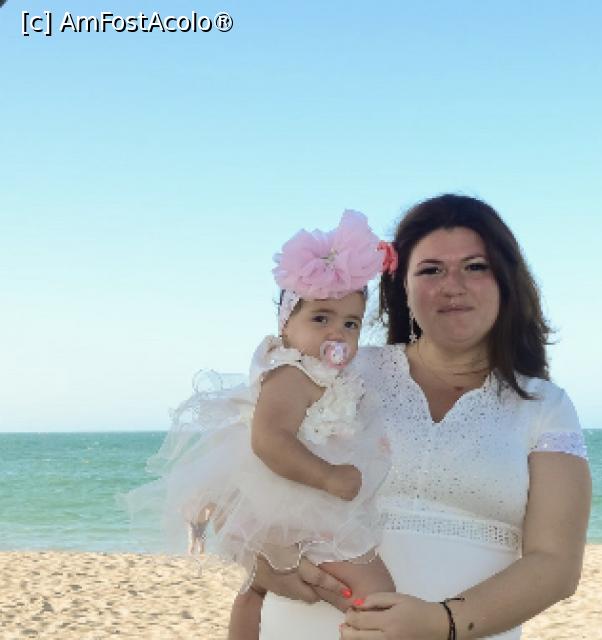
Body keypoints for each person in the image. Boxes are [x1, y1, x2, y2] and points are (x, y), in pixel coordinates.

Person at [247, 194, 591, 640]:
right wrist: (262, 559)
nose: (453, 285)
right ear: (402, 288)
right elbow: (241, 464)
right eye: (431, 270)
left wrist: (440, 622)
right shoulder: (340, 370)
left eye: (475, 267)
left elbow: (556, 564)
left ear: (506, 281)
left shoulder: (545, 406)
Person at [125, 210, 398, 640]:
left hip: (291, 497)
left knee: (256, 587)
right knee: (374, 588)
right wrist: (327, 477)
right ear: (285, 324)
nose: (337, 334)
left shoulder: (323, 374)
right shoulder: (291, 374)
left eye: (350, 324)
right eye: (321, 318)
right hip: (295, 493)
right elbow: (269, 439)